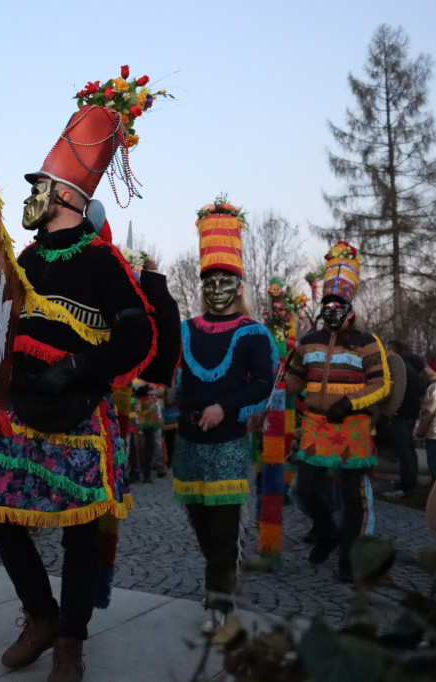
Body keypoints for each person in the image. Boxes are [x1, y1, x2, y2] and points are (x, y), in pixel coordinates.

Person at [0, 89, 158, 682]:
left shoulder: (105, 264)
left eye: (38, 188)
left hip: (78, 419)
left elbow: (137, 341)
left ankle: (71, 641)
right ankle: (41, 616)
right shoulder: (23, 260)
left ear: (63, 196)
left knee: (81, 534)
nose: (31, 198)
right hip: (21, 417)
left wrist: (75, 369)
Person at [174, 197, 276, 635]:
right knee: (200, 521)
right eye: (210, 280)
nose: (217, 288)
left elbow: (262, 384)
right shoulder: (187, 329)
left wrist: (224, 407)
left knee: (222, 527)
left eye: (225, 280)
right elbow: (174, 372)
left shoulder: (254, 332)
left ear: (238, 286)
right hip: (189, 442)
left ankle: (219, 600)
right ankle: (220, 578)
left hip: (229, 441)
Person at [286, 241, 390, 583]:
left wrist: (350, 403)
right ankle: (327, 531)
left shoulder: (367, 343)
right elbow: (294, 381)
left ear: (350, 308)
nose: (332, 309)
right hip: (316, 427)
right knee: (304, 489)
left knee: (353, 497)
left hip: (353, 428)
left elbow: (381, 384)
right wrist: (265, 379)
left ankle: (350, 559)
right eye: (327, 304)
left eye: (338, 305)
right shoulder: (308, 340)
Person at [384, 339, 427, 498]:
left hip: (400, 415)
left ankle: (405, 485)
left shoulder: (399, 369)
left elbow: (392, 392)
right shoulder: (412, 369)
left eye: (388, 351)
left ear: (393, 351)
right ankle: (410, 482)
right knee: (409, 450)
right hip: (410, 414)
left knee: (404, 451)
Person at [414, 352, 436, 485]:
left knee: (435, 463)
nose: (425, 369)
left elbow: (428, 412)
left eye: (428, 367)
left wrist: (419, 430)